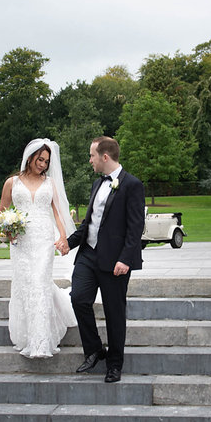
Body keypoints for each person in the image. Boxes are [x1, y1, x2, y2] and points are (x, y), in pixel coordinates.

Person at [67, 136, 145, 383]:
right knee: (78, 298)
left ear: (105, 157)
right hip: (88, 256)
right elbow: (89, 223)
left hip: (115, 263)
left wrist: (125, 259)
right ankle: (94, 350)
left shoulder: (132, 185)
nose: (89, 160)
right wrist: (68, 243)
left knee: (114, 313)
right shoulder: (96, 185)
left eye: (92, 156)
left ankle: (114, 364)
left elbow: (135, 227)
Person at [0, 139, 77, 358]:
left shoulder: (50, 183)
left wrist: (62, 236)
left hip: (44, 238)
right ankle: (28, 336)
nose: (43, 164)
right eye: (40, 159)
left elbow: (59, 213)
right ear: (30, 157)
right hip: (21, 242)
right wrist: (9, 230)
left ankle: (41, 342)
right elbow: (2, 213)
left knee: (40, 282)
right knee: (26, 284)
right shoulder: (12, 182)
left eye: (46, 161)